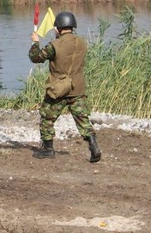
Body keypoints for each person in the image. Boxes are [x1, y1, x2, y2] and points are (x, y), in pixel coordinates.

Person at [29, 11, 101, 163]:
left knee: (47, 118)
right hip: (77, 88)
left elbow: (36, 58)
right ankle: (93, 145)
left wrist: (35, 42)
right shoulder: (82, 42)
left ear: (58, 28)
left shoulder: (54, 45)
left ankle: (48, 149)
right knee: (82, 119)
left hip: (59, 89)